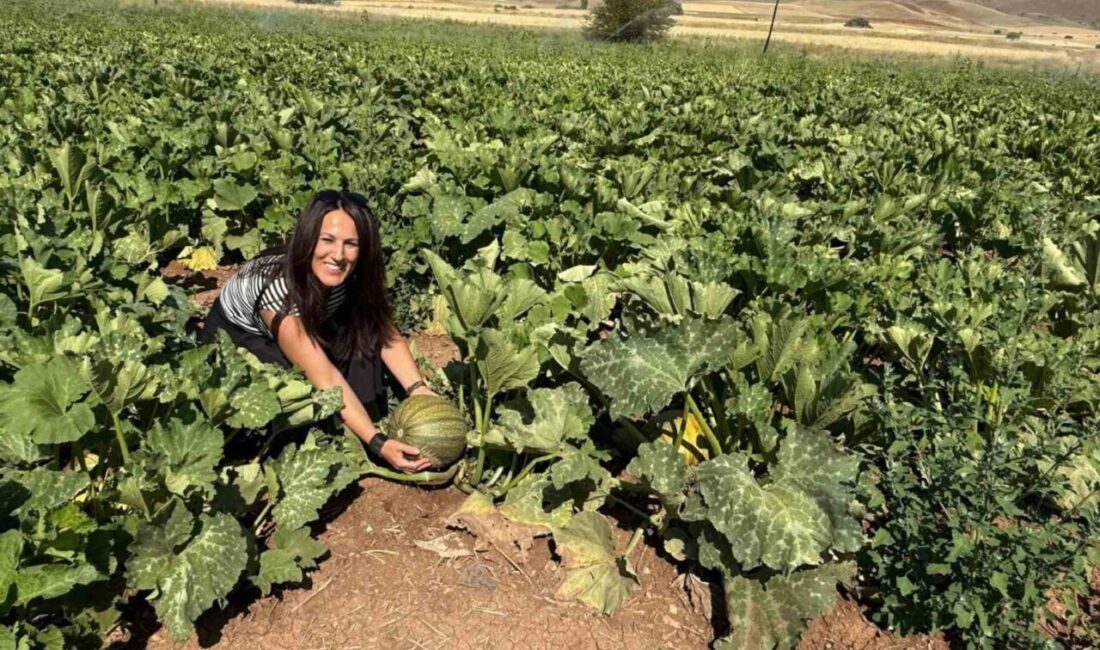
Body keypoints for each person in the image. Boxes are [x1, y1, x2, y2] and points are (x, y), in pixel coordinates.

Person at [202, 189, 433, 473]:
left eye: (351, 244)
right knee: (296, 387)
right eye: (327, 240)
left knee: (362, 335)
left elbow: (383, 329)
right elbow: (324, 375)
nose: (338, 255)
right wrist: (378, 443)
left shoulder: (354, 275)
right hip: (240, 337)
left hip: (313, 315)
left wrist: (419, 390)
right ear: (309, 239)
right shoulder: (279, 292)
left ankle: (356, 416)